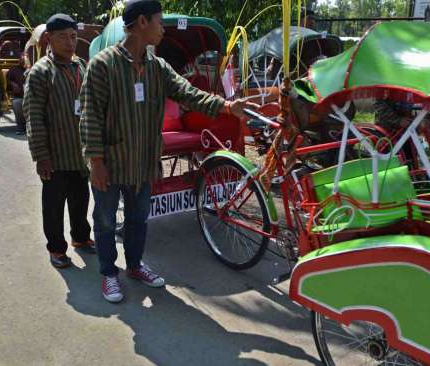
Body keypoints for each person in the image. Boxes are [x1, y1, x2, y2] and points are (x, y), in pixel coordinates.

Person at [80, 0, 258, 303]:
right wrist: (95, 162)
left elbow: (189, 93)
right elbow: (90, 116)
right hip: (111, 162)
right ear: (141, 23)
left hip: (144, 162)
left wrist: (227, 106)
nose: (163, 29)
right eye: (159, 22)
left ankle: (135, 266)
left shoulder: (157, 67)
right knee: (106, 220)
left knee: (138, 219)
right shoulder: (103, 65)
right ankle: (109, 273)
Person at [24, 13, 95, 269]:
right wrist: (40, 155)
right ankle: (56, 248)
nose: (70, 42)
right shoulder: (40, 73)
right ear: (48, 39)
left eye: (74, 36)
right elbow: (33, 116)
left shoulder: (81, 66)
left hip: (80, 152)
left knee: (81, 199)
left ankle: (81, 237)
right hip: (54, 155)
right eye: (63, 37)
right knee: (53, 206)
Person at [6, 54, 28, 134]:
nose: (24, 59)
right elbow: (8, 80)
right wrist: (13, 84)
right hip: (20, 96)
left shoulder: (34, 68)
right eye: (23, 57)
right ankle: (21, 127)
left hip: (34, 96)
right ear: (19, 60)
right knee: (17, 103)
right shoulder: (14, 69)